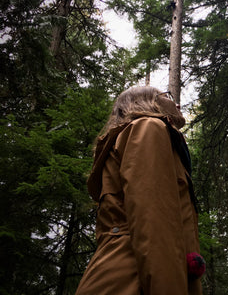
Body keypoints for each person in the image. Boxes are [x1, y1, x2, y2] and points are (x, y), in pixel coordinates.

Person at [76, 86, 204, 295]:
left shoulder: (145, 134)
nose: (177, 103)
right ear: (148, 102)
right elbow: (154, 221)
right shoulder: (148, 128)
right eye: (167, 96)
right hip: (132, 280)